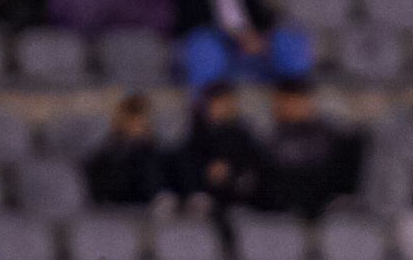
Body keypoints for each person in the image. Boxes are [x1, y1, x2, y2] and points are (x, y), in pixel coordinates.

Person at [173, 0, 312, 89]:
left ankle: (294, 93)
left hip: (253, 38)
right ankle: (211, 104)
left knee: (289, 37)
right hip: (217, 40)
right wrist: (239, 37)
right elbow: (193, 22)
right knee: (202, 46)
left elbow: (262, 14)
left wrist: (262, 35)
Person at [257, 78, 363, 219]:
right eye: (287, 102)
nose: (293, 107)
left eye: (298, 101)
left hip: (324, 199)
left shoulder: (330, 132)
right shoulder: (268, 135)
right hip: (282, 203)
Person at [175, 81, 263, 213]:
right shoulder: (198, 133)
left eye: (227, 102)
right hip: (204, 185)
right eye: (218, 102)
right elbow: (190, 158)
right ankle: (197, 197)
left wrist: (229, 167)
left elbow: (252, 159)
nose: (223, 107)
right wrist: (207, 169)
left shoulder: (242, 133)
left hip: (234, 187)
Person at [85, 93, 174, 208]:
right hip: (119, 207)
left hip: (153, 205)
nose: (137, 126)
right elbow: (103, 190)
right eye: (133, 121)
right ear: (122, 121)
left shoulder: (158, 152)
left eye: (141, 121)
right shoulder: (107, 153)